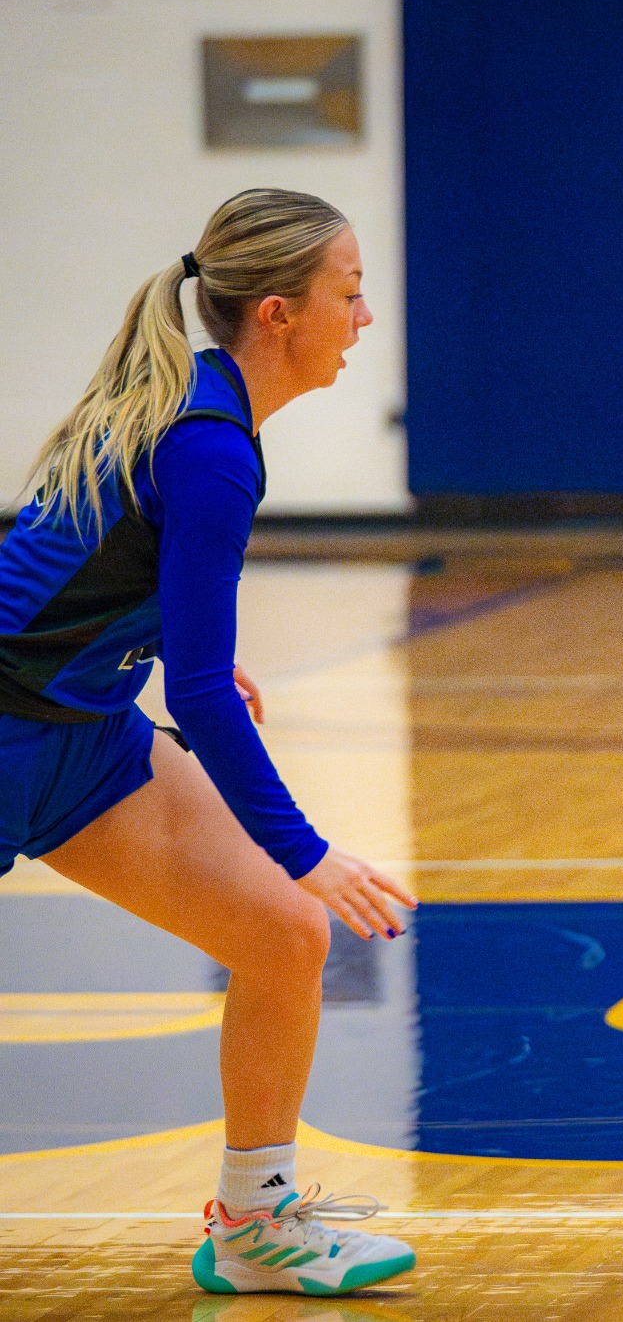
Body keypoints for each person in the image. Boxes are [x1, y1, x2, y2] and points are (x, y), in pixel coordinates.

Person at [0, 189, 419, 1297]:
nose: (365, 315)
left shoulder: (202, 415)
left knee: (285, 937)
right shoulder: (210, 445)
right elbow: (199, 689)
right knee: (300, 896)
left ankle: (254, 1221)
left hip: (80, 734)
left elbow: (115, 587)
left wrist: (149, 646)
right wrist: (308, 848)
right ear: (277, 313)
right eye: (350, 290)